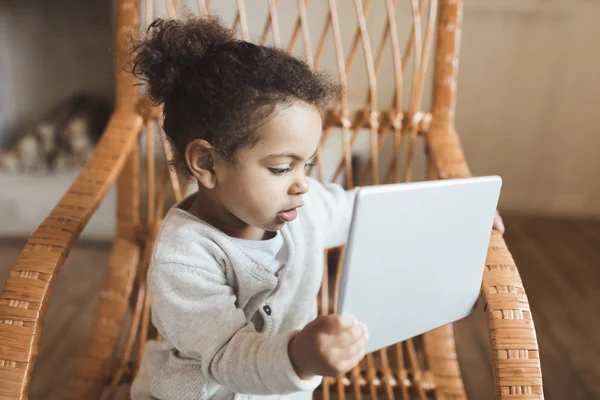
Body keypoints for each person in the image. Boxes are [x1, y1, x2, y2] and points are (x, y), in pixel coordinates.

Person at [130, 15, 367, 400]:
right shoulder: (183, 258)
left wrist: (451, 218)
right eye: (280, 168)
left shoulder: (301, 207)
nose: (302, 182)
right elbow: (228, 354)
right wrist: (299, 356)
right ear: (207, 164)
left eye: (305, 165)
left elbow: (362, 214)